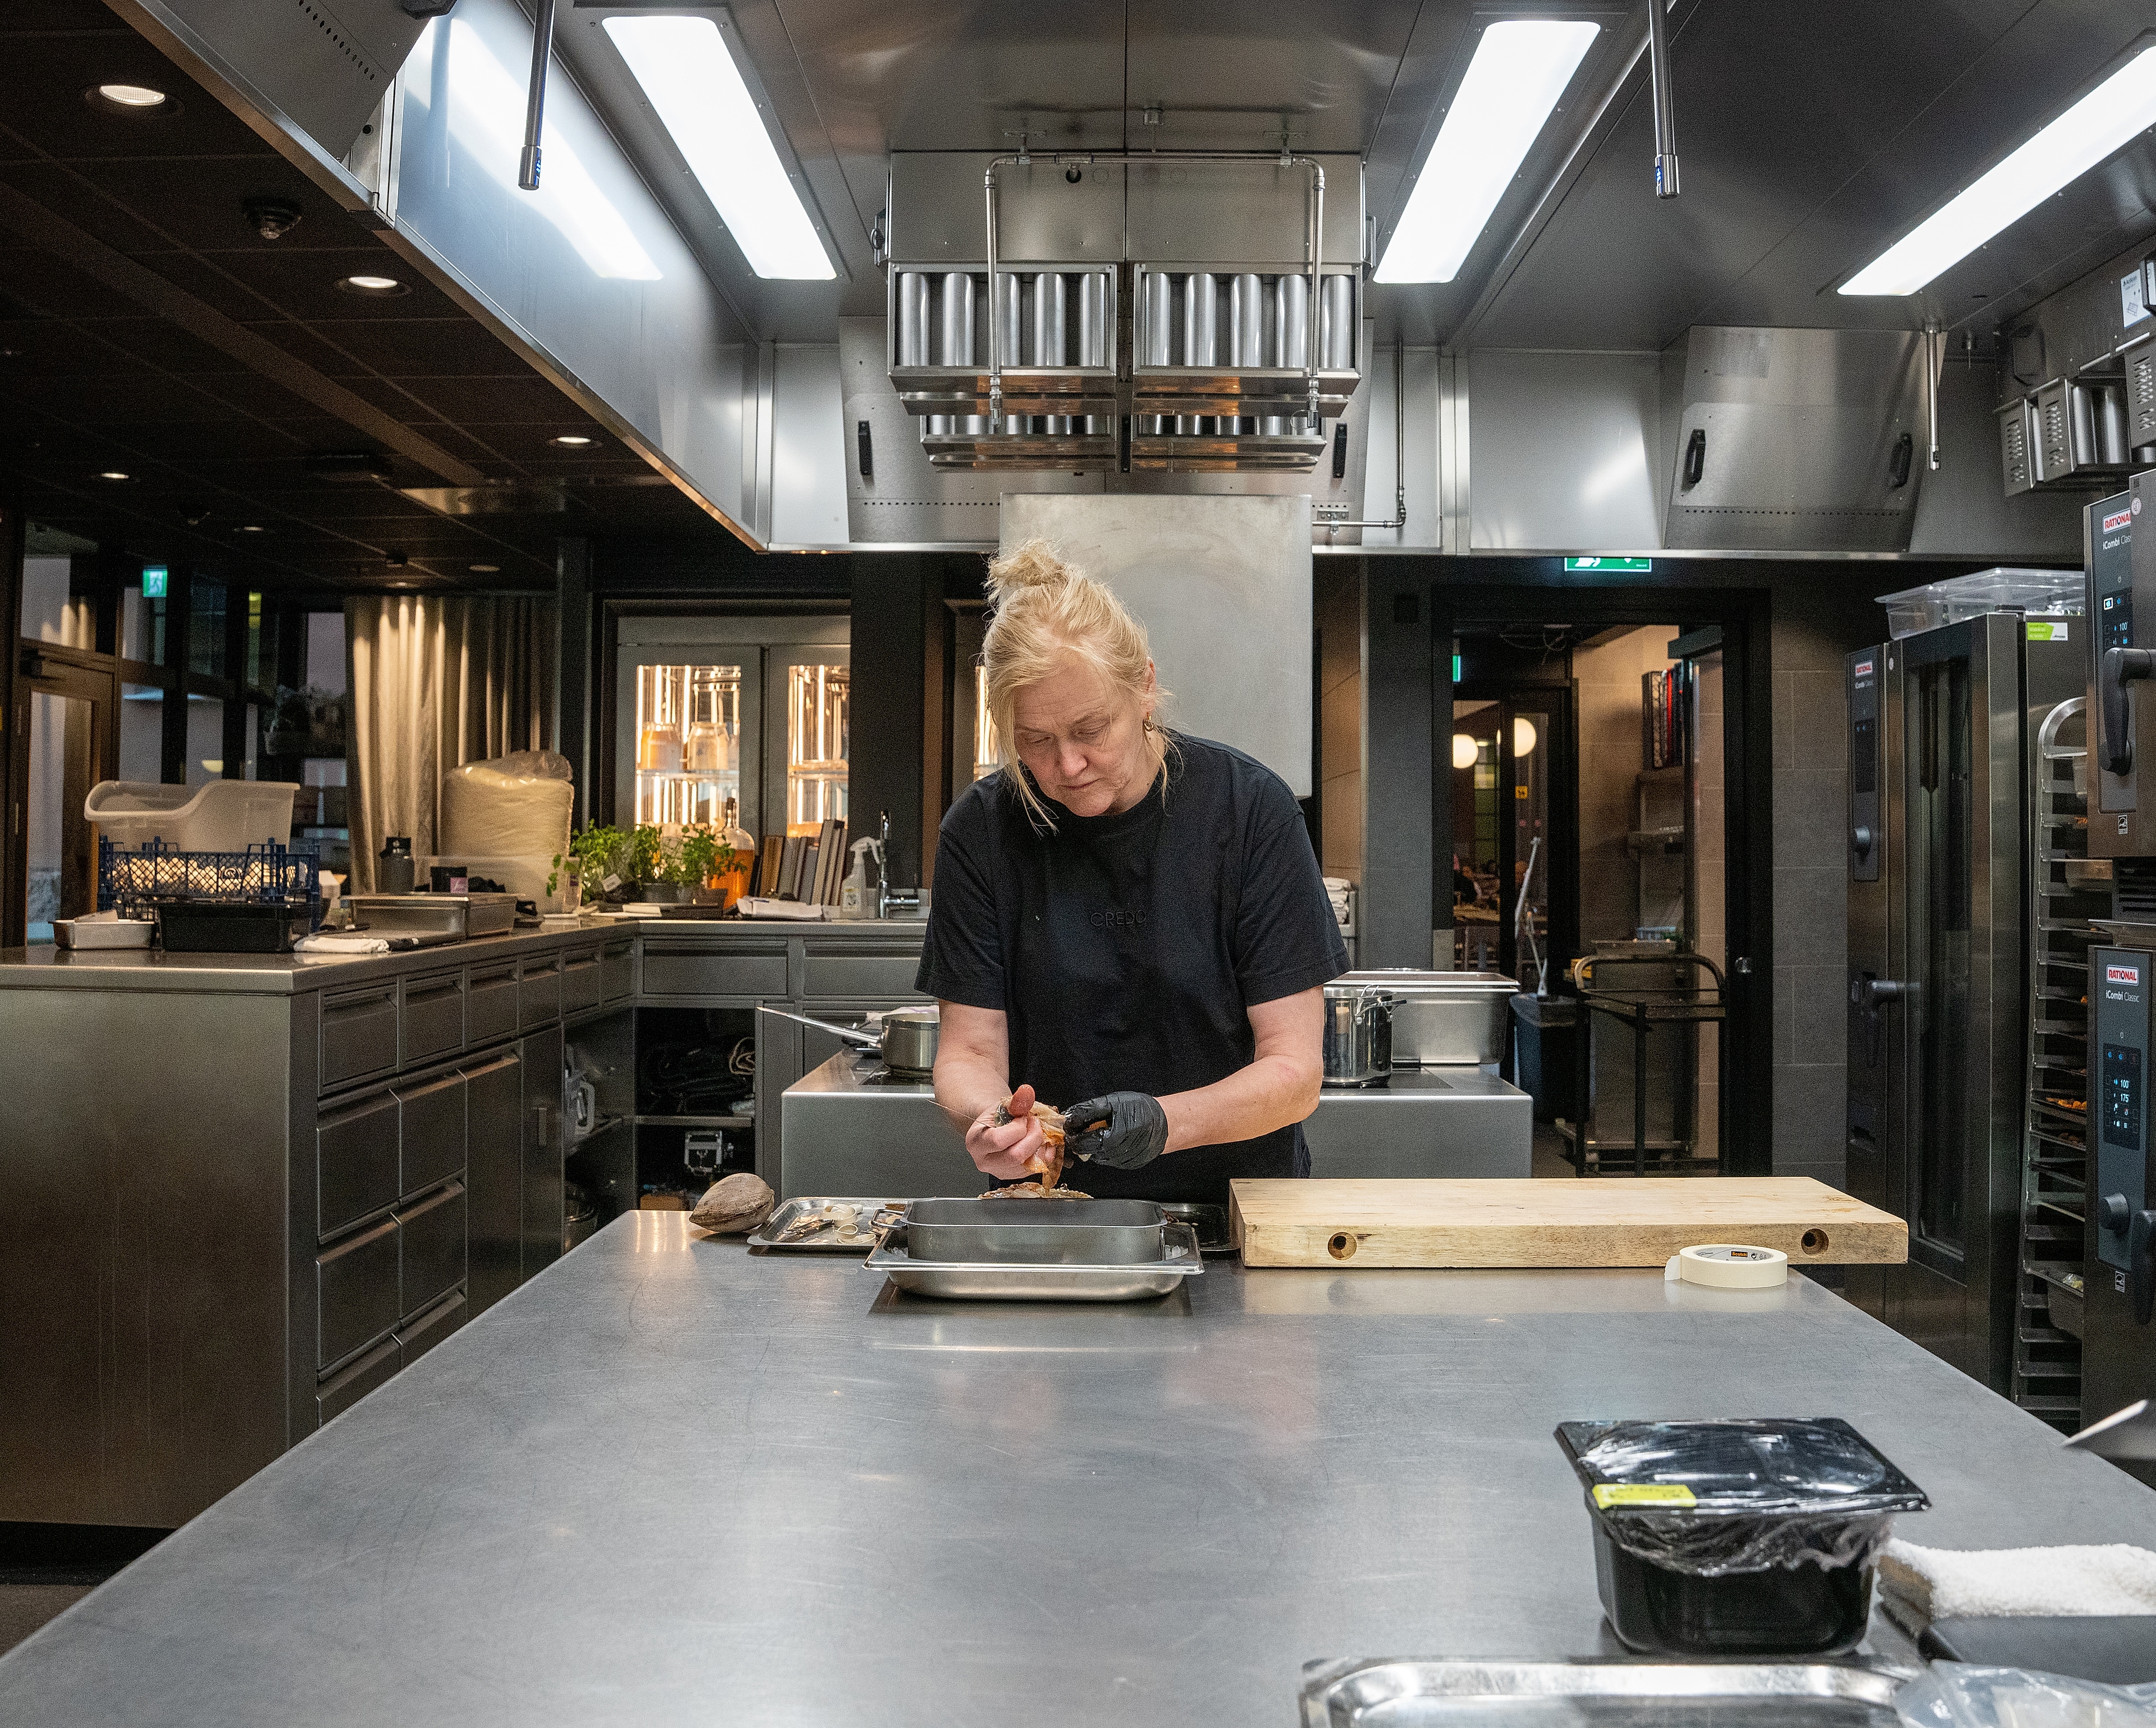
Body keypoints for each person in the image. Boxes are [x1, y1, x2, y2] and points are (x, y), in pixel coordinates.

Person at [916, 540, 1348, 1206]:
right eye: (1035, 740)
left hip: (1237, 1211)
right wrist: (991, 1121)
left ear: (1144, 687)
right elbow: (969, 1051)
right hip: (1054, 1211)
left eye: (1092, 729)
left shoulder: (1250, 813)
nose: (1067, 765)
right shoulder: (981, 832)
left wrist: (1165, 1123)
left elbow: (1294, 1072)